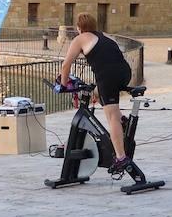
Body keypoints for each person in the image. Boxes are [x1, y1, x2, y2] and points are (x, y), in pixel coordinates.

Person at [58, 12, 137, 175]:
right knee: (97, 92)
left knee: (111, 116)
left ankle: (121, 158)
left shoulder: (80, 38)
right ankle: (122, 120)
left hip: (107, 76)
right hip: (125, 74)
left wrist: (63, 85)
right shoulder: (104, 36)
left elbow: (66, 65)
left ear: (79, 28)